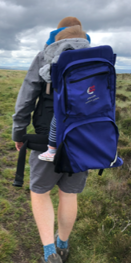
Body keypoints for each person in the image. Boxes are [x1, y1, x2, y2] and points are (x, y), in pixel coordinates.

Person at [12, 17, 89, 263]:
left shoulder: (46, 55)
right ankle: (63, 244)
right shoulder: (96, 58)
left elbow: (26, 96)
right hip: (84, 137)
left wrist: (19, 131)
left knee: (40, 191)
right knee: (69, 194)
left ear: (58, 34)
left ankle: (49, 251)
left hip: (48, 136)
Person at [38, 25, 90, 162]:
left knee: (57, 121)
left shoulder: (61, 58)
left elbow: (47, 75)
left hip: (68, 99)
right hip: (90, 100)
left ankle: (52, 149)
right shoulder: (91, 58)